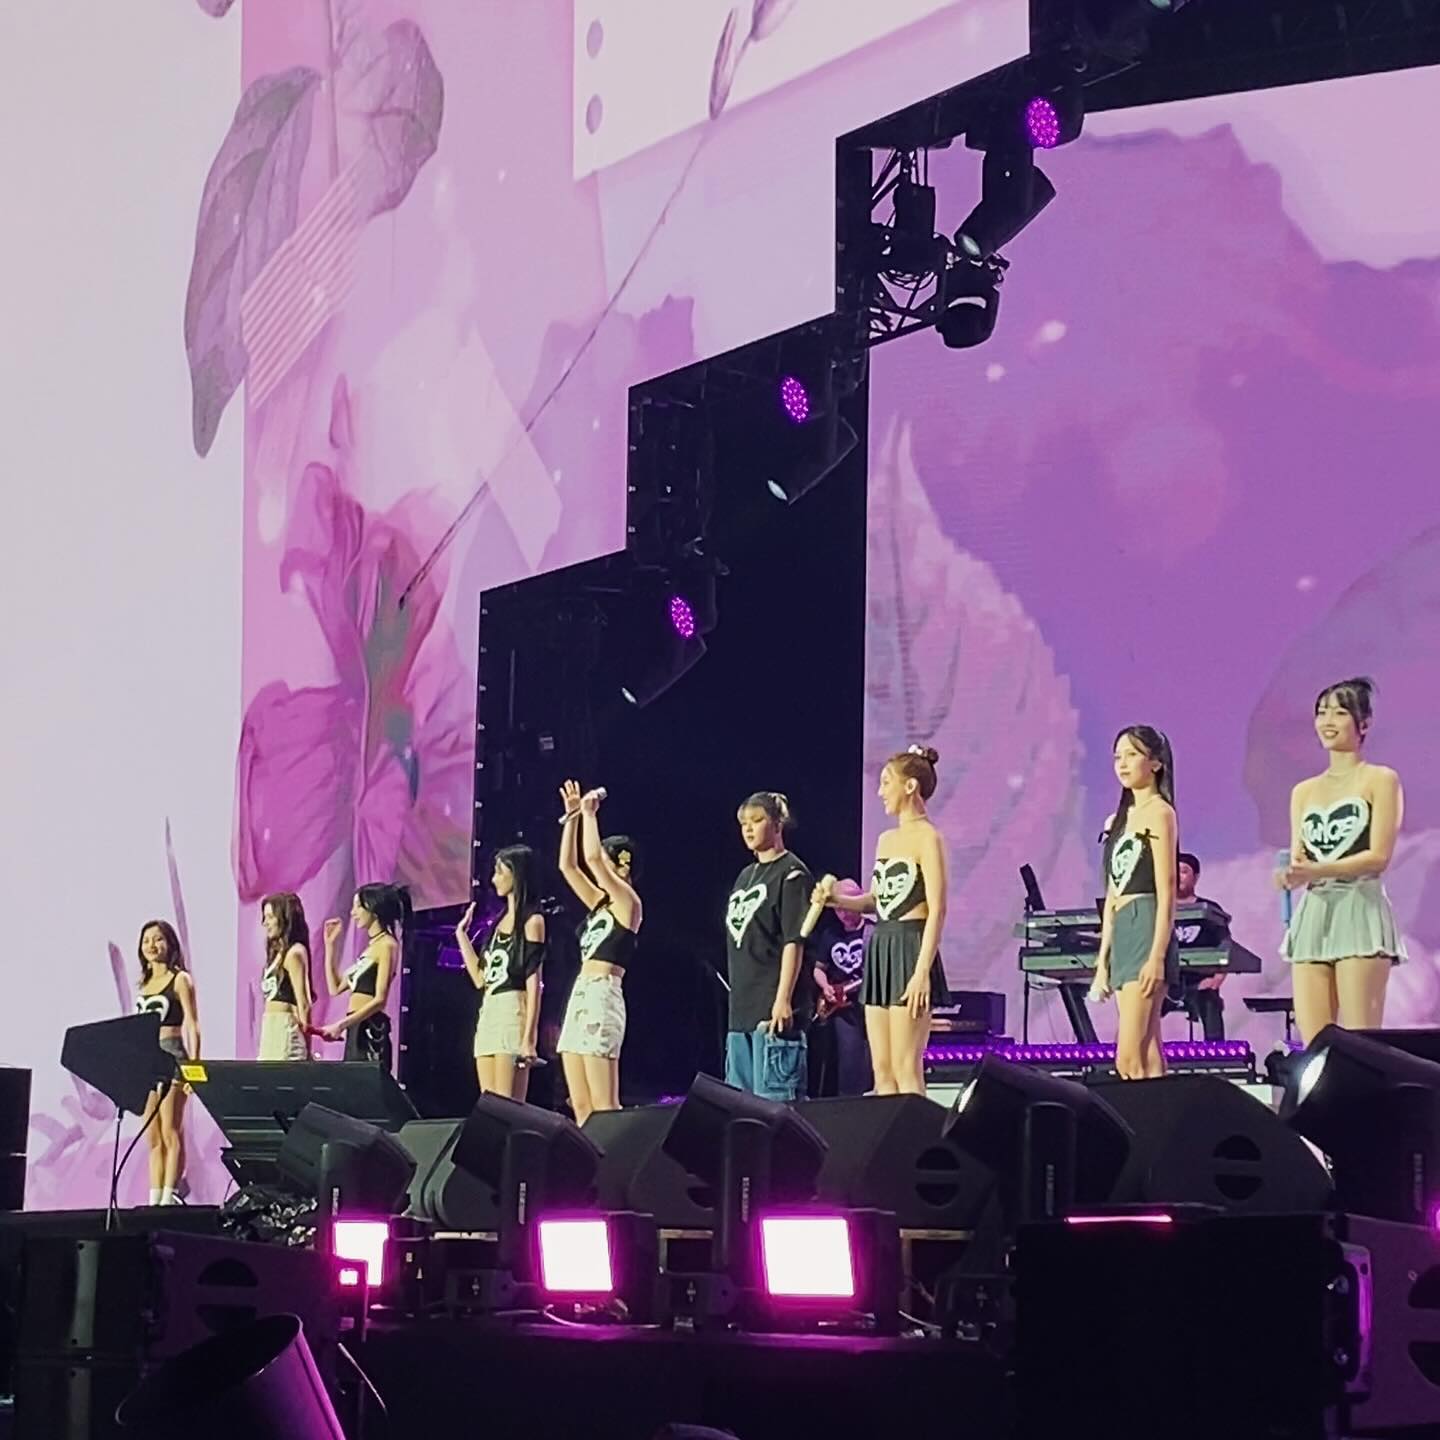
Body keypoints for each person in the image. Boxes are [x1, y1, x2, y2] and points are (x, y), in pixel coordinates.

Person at [815, 746, 949, 1096]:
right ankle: (893, 1132)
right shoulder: (886, 840)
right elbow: (877, 900)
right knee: (882, 1070)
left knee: (907, 1068)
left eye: (887, 782)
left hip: (910, 949)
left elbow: (937, 909)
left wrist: (921, 972)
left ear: (910, 786)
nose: (880, 791)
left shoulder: (928, 838)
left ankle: (917, 1131)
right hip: (882, 948)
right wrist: (835, 900)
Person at [1277, 677, 1404, 1044]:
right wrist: (1290, 874)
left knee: (1361, 1040)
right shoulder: (1304, 791)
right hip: (1314, 913)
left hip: (1359, 909)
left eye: (1339, 712)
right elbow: (1299, 855)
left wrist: (1318, 870)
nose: (1327, 721)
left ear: (1364, 724)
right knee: (1315, 1042)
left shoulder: (1380, 780)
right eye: (1321, 712)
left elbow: (1378, 857)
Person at [1092, 726, 1180, 1080]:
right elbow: (1113, 894)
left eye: (1132, 754)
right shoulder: (1121, 819)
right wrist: (1103, 960)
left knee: (1128, 1057)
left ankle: (1138, 1113)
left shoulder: (1160, 813)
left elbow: (1167, 888)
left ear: (1155, 762)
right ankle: (1158, 1112)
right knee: (1148, 1049)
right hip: (1123, 926)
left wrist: (1157, 956)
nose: (1123, 764)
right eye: (1118, 756)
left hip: (1146, 922)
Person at [555, 781, 640, 1124]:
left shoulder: (628, 904)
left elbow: (591, 859)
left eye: (608, 861)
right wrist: (573, 817)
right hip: (581, 993)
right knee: (580, 1104)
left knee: (603, 1104)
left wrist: (590, 815)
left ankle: (615, 1159)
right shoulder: (599, 904)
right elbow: (568, 867)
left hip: (603, 994)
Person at [723, 791, 812, 1101]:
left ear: (777, 825)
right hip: (741, 1013)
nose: (748, 829)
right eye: (743, 823)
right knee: (740, 1109)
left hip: (772, 1011)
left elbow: (793, 941)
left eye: (757, 820)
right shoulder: (745, 876)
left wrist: (783, 999)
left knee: (775, 1106)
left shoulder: (792, 873)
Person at [456, 846, 547, 1100]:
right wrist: (461, 936)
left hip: (512, 1010)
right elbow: (480, 979)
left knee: (506, 1106)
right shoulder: (498, 922)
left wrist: (529, 1038)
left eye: (499, 872)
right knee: (488, 1104)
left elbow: (534, 983)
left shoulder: (533, 922)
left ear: (516, 875)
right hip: (489, 1011)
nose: (494, 879)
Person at [134, 920, 200, 1205]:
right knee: (152, 1135)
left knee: (170, 1129)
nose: (152, 945)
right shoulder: (144, 984)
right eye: (146, 940)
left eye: (158, 939)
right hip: (147, 1061)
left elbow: (192, 1024)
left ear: (170, 944)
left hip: (172, 1056)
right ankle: (154, 1198)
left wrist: (195, 1068)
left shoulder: (180, 979)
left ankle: (169, 1195)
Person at [320, 883, 407, 1069]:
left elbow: (380, 1000)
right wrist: (330, 947)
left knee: (364, 1082)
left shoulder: (387, 945)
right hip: (355, 1026)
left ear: (373, 909)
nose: (353, 913)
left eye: (358, 907)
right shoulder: (370, 949)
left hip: (369, 1027)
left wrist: (341, 1025)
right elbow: (335, 987)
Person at [806, 878, 873, 1098]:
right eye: (838, 909)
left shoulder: (873, 932)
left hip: (869, 1004)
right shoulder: (830, 935)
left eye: (847, 906)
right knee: (848, 1063)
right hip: (843, 1010)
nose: (843, 913)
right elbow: (818, 969)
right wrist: (826, 987)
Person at [1162, 852, 1226, 1041]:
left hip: (1200, 980)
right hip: (1165, 981)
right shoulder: (1159, 908)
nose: (1178, 876)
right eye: (1174, 871)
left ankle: (1217, 1055)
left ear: (1195, 877)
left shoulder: (1209, 908)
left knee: (1211, 1003)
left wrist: (1218, 978)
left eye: (1184, 872)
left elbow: (1225, 944)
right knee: (1140, 1006)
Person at [257, 892, 313, 1061]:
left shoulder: (294, 953)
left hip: (285, 1030)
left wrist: (307, 1047)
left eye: (270, 917)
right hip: (271, 1028)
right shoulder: (278, 953)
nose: (265, 923)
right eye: (264, 917)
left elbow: (304, 1003)